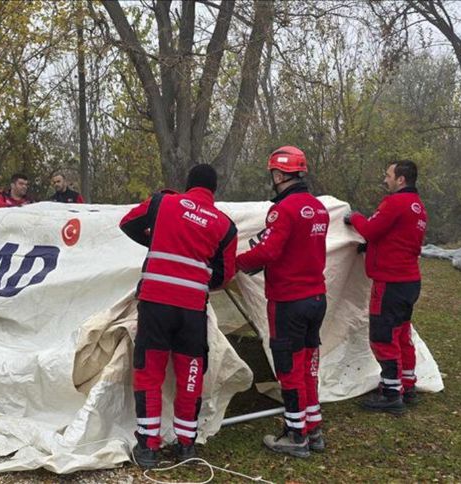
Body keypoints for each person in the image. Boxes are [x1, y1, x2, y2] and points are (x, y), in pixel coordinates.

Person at [119, 164, 238, 469]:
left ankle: (148, 447)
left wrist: (157, 240)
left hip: (155, 304)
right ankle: (186, 446)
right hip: (191, 310)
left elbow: (128, 222)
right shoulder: (225, 225)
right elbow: (225, 275)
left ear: (187, 184)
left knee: (149, 372)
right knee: (190, 375)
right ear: (214, 191)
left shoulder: (164, 202)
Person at [235, 146, 329, 458]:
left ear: (278, 174)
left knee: (288, 368)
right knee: (308, 366)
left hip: (289, 300)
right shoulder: (318, 208)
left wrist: (237, 261)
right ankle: (313, 429)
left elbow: (269, 251)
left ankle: (295, 436)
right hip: (316, 297)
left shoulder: (282, 210)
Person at [344, 160, 427, 413]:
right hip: (410, 280)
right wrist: (371, 248)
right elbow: (397, 238)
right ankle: (407, 384)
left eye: (388, 175)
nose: (385, 179)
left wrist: (354, 217)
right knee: (402, 334)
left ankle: (391, 393)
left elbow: (370, 229)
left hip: (390, 282)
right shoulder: (418, 207)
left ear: (401, 179)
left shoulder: (394, 203)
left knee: (383, 335)